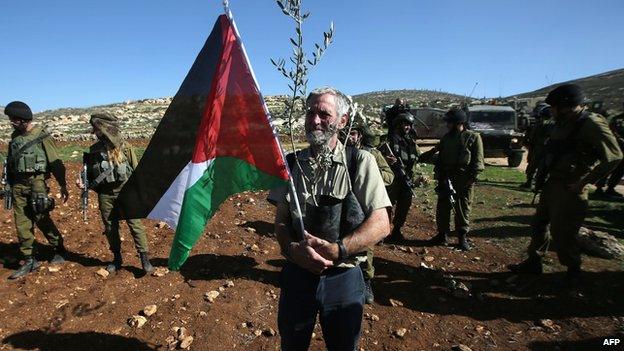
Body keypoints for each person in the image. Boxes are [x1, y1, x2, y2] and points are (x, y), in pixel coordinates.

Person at [268, 87, 391, 351]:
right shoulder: (291, 163)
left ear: (342, 121)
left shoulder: (359, 162)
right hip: (297, 274)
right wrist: (291, 249)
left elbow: (382, 223)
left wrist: (339, 250)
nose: (315, 120)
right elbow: (280, 221)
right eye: (310, 112)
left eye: (324, 113)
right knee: (292, 344)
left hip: (343, 279)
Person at [508, 84, 623, 285]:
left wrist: (584, 182)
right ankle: (534, 262)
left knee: (563, 231)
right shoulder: (563, 123)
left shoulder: (591, 123)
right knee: (538, 224)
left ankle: (573, 271)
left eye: (554, 107)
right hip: (552, 183)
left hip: (570, 187)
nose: (551, 111)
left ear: (566, 106)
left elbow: (614, 157)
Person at [76, 113, 154, 274]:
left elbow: (138, 171)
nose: (95, 133)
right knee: (110, 227)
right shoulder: (93, 151)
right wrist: (82, 182)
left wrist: (142, 194)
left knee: (135, 225)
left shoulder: (125, 147)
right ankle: (117, 258)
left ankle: (144, 259)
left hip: (127, 191)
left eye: (97, 129)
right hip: (105, 194)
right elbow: (88, 174)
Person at [3, 101, 69, 279]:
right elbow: (9, 164)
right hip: (18, 185)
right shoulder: (15, 139)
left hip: (37, 184)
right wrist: (7, 185)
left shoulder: (42, 136)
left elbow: (56, 163)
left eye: (14, 120)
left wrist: (63, 184)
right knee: (22, 223)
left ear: (24, 120)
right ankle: (29, 259)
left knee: (41, 218)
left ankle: (59, 248)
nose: (12, 123)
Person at [346, 122, 394, 304]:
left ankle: (366, 280)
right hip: (345, 204)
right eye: (348, 133)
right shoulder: (339, 152)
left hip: (365, 204)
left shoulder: (372, 154)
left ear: (360, 136)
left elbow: (389, 176)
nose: (351, 137)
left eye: (354, 134)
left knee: (367, 244)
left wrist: (370, 176)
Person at [428, 107, 484, 250]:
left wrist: (473, 178)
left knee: (462, 208)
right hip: (446, 177)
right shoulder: (447, 138)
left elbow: (478, 161)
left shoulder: (473, 137)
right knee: (443, 207)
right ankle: (442, 235)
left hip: (463, 179)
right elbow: (437, 152)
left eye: (450, 122)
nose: (447, 125)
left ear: (459, 123)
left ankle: (462, 237)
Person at [382, 112, 421, 242]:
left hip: (406, 179)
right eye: (404, 124)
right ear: (398, 125)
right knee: (387, 205)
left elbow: (418, 158)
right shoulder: (388, 141)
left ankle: (397, 230)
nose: (406, 127)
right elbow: (375, 156)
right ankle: (382, 231)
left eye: (409, 125)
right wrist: (386, 160)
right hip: (392, 179)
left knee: (404, 206)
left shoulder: (411, 142)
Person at [594, 104, 624, 198]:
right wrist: (620, 139)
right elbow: (611, 132)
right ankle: (599, 188)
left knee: (620, 170)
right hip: (616, 148)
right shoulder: (617, 119)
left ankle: (610, 188)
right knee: (610, 167)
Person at [522, 104, 555, 189]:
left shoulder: (544, 123)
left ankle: (533, 183)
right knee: (536, 165)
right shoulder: (545, 123)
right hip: (538, 146)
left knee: (535, 165)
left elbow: (538, 135)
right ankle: (533, 183)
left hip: (540, 147)